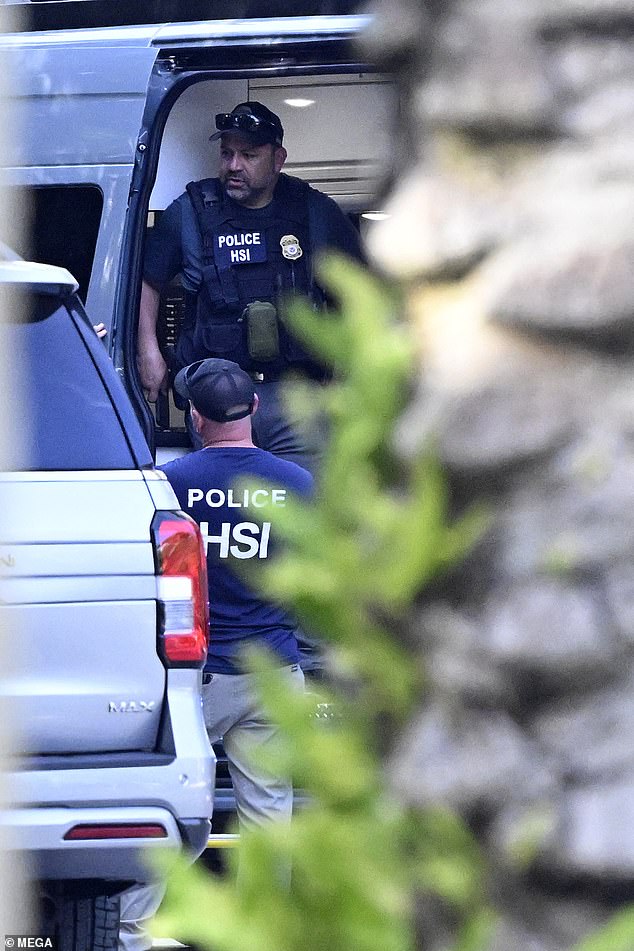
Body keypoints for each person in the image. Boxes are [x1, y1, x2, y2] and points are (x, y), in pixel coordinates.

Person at [118, 357, 313, 950]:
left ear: (195, 417)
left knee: (167, 803)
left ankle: (132, 928)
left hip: (192, 676)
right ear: (254, 408)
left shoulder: (168, 484)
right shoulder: (299, 484)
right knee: (268, 809)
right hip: (274, 670)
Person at [138, 100, 364, 471]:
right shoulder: (192, 212)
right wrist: (149, 351)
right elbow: (148, 280)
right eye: (226, 154)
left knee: (300, 508)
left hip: (299, 397)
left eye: (248, 155)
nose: (233, 166)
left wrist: (350, 372)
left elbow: (358, 289)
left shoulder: (313, 211)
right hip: (217, 395)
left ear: (278, 159)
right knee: (228, 508)